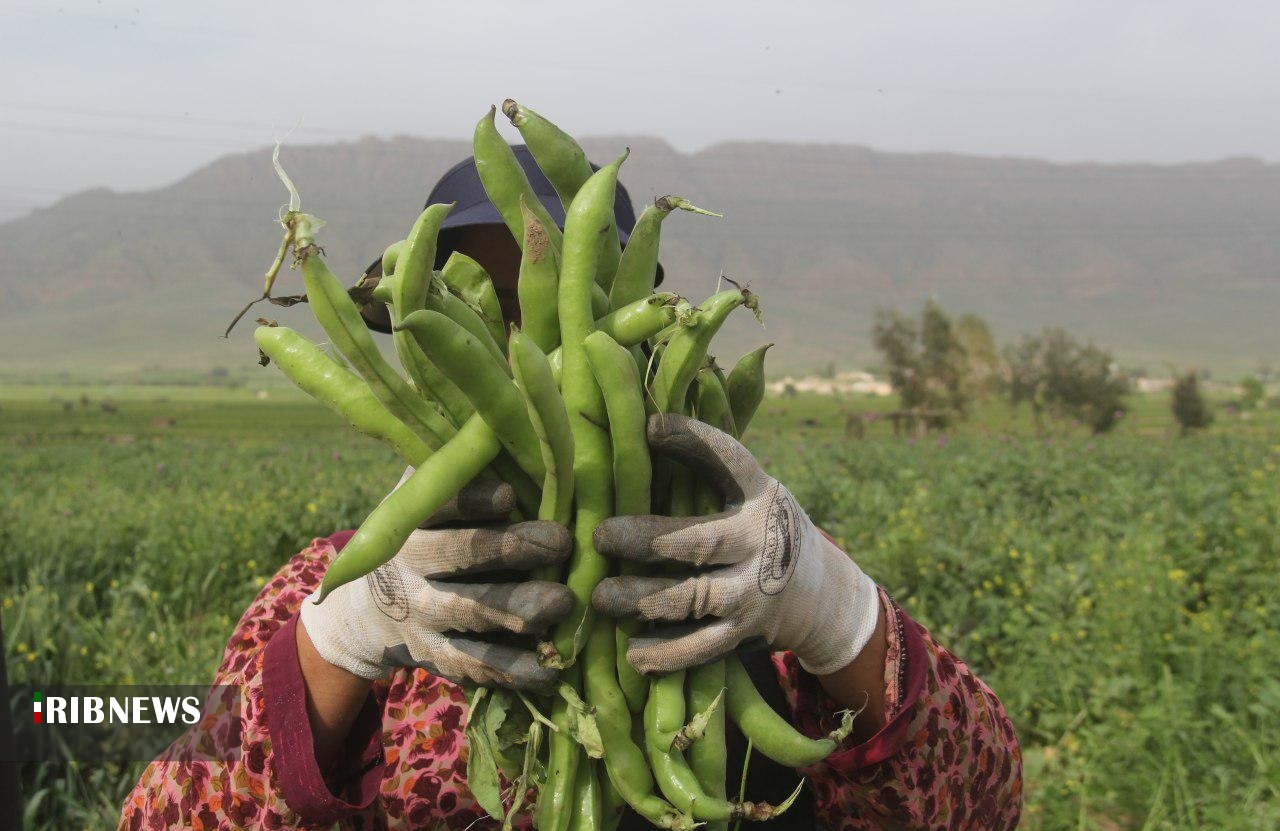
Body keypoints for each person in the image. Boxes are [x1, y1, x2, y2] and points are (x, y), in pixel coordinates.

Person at [118, 148, 1022, 830]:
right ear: (420, 343)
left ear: (639, 326)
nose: (527, 341)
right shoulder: (327, 588)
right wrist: (343, 643)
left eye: (567, 298)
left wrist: (834, 609)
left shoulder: (747, 575)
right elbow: (167, 816)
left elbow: (982, 801)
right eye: (482, 305)